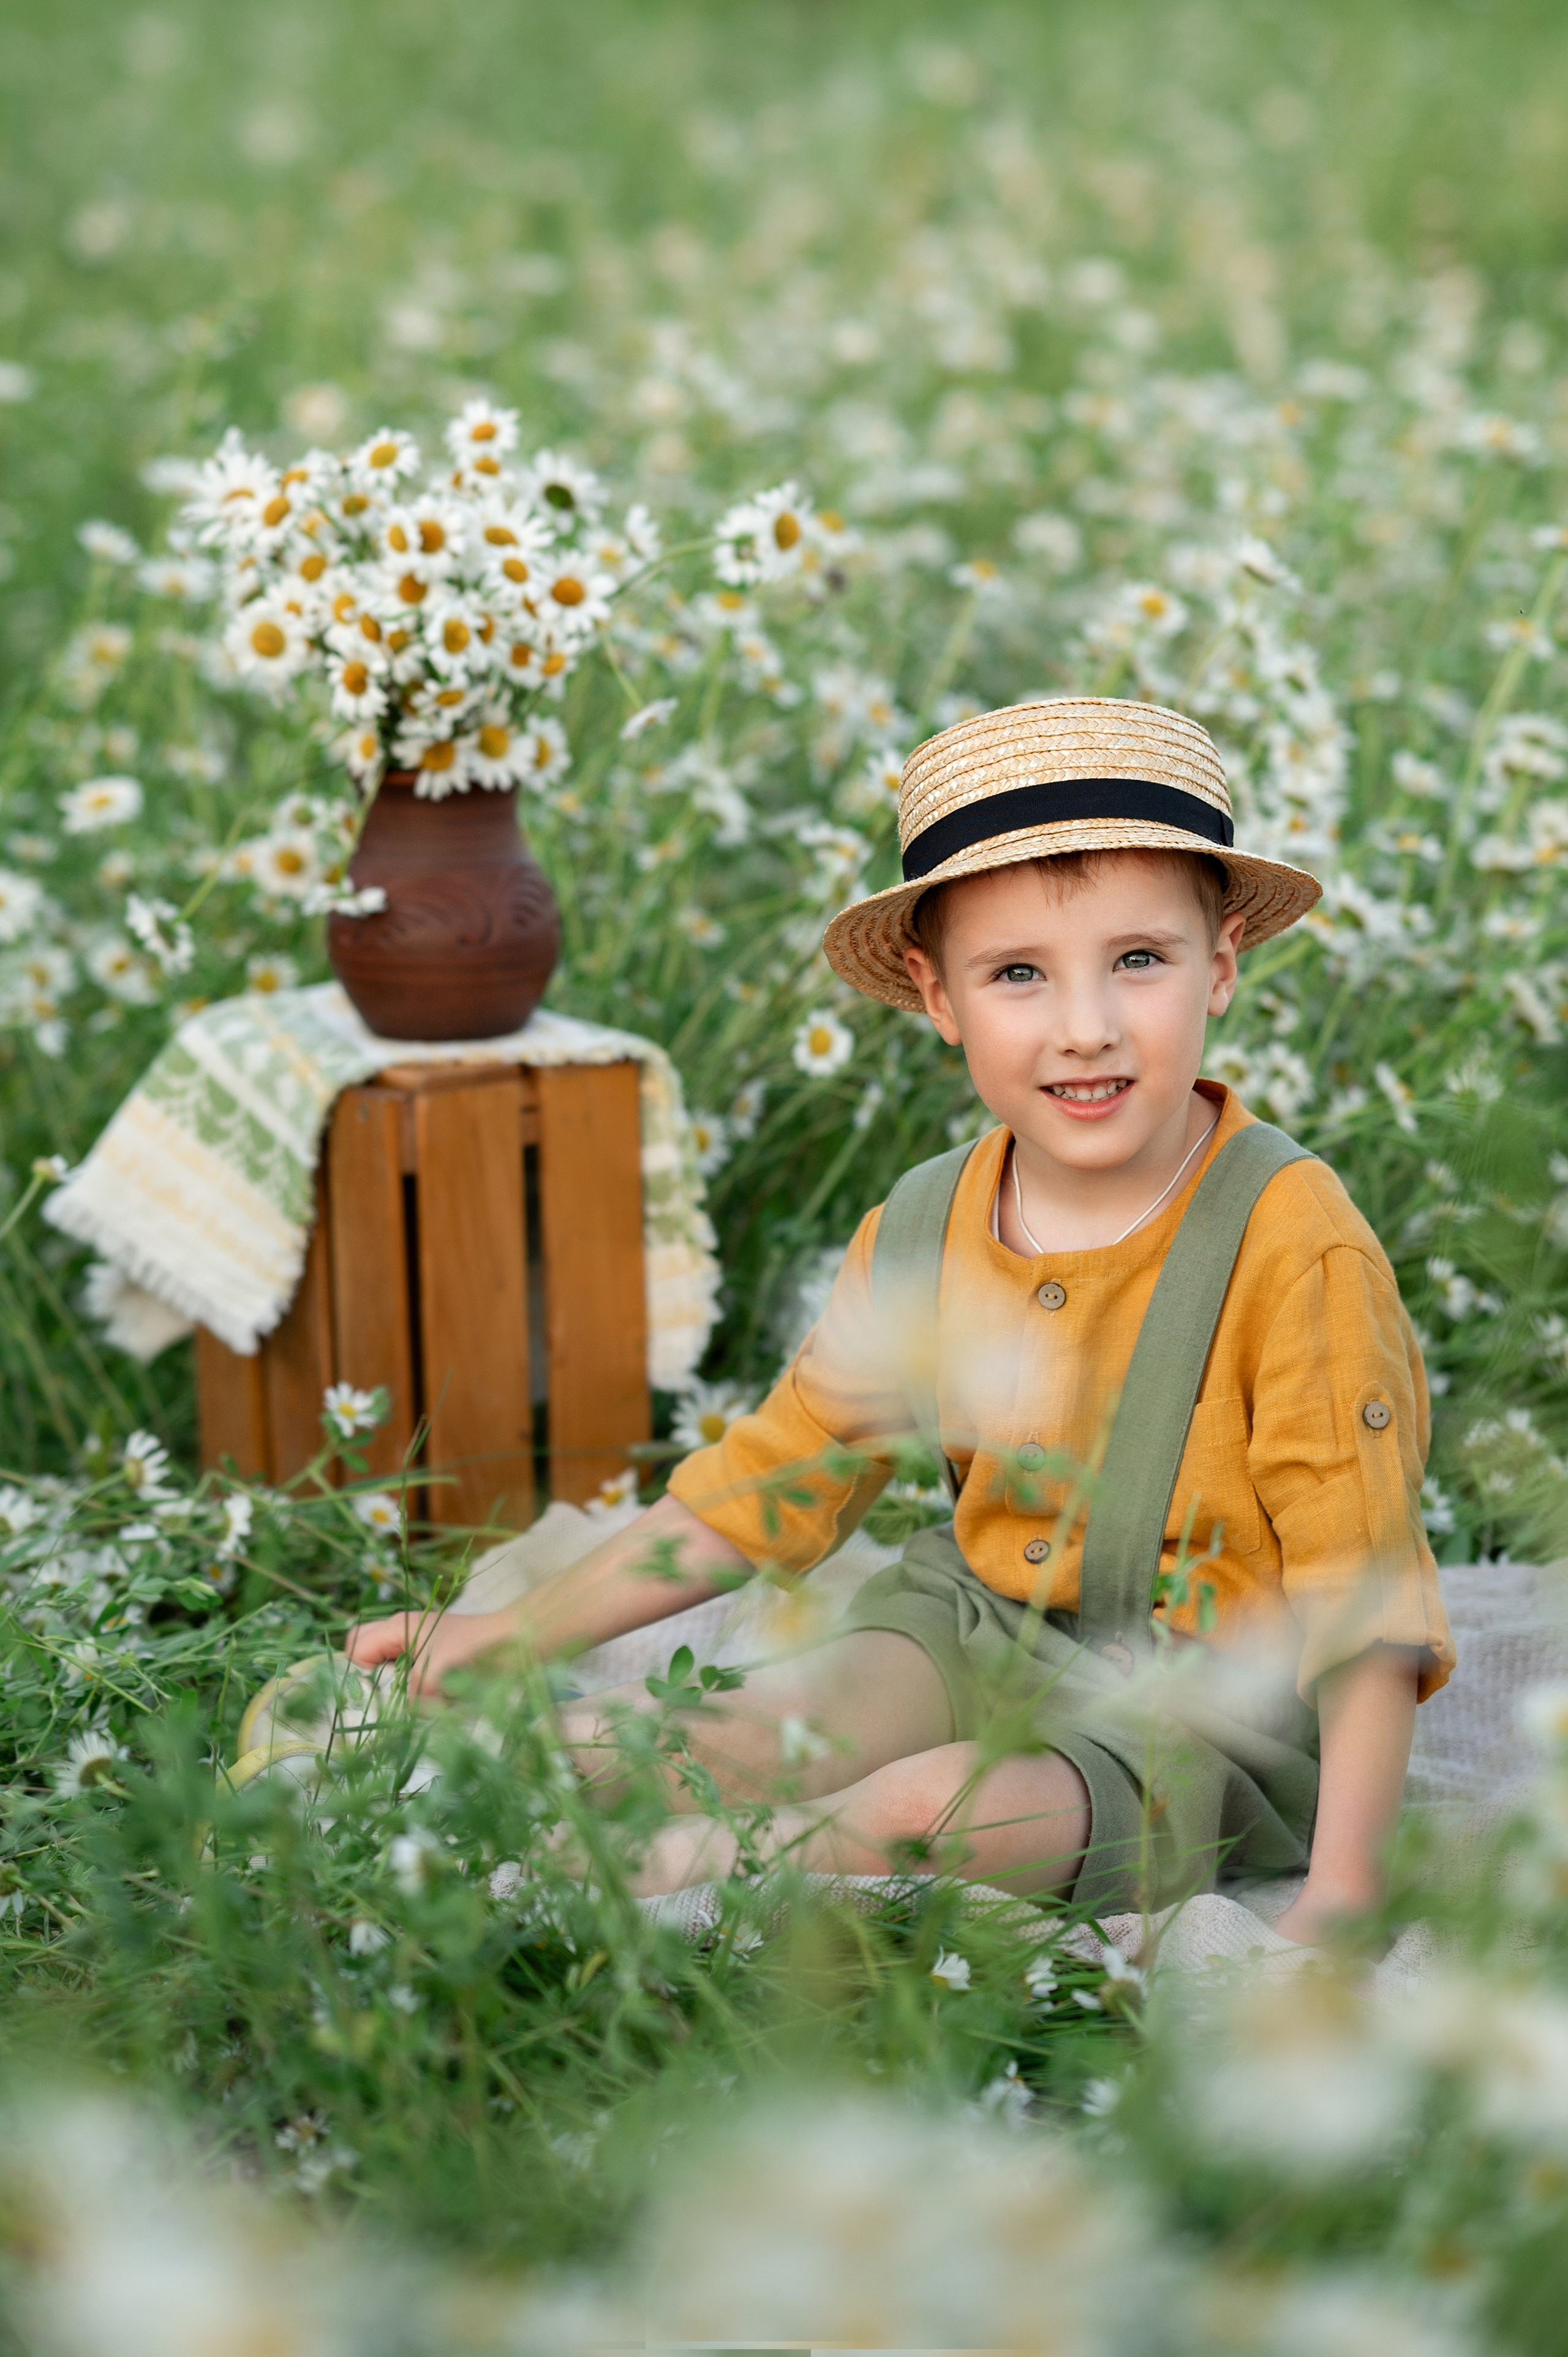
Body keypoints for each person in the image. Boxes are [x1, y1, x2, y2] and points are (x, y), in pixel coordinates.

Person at [346, 697, 1455, 1944]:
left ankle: (702, 1860)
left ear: (1222, 964)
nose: (1083, 1024)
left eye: (1136, 959)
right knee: (764, 1725)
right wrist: (520, 1625)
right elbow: (773, 1477)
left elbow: (1360, 1584)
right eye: (1017, 974)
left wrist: (1346, 1884)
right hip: (976, 1622)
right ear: (936, 996)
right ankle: (465, 1772)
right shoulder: (926, 1225)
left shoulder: (1289, 1238)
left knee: (931, 1806)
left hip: (1208, 1710)